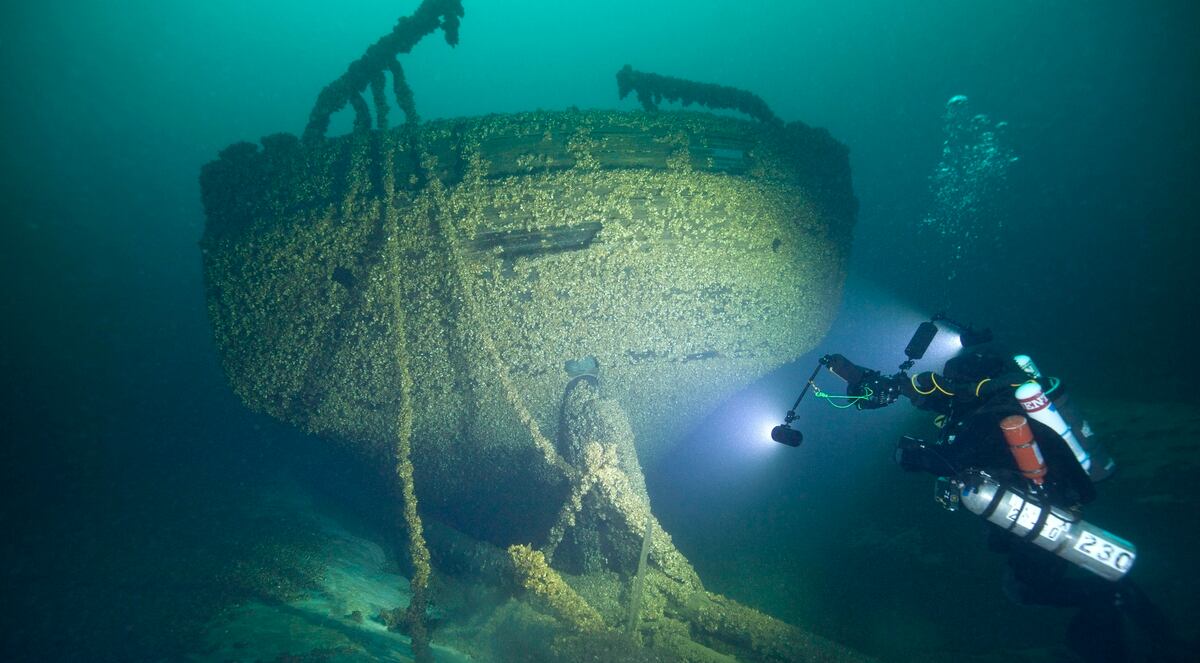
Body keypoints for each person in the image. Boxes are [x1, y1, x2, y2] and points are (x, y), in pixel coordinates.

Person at [825, 340, 1183, 662]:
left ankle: (1118, 630)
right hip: (1049, 503)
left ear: (971, 384)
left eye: (953, 382)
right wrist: (858, 375)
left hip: (1037, 512)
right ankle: (1136, 622)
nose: (947, 389)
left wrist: (914, 456)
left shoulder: (994, 416)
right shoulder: (999, 407)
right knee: (1046, 584)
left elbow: (956, 456)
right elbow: (929, 400)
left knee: (1031, 589)